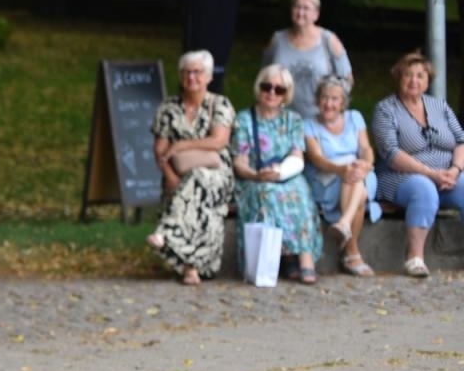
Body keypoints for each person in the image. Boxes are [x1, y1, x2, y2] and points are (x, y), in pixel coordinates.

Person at [370, 51, 464, 278]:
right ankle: (414, 258)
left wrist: (455, 170)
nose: (414, 81)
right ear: (398, 77)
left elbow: (461, 141)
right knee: (424, 189)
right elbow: (391, 154)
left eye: (420, 76)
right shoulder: (386, 109)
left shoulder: (439, 106)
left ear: (428, 80)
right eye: (408, 75)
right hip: (400, 175)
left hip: (446, 175)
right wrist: (431, 174)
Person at [146, 50, 235, 285]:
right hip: (180, 176)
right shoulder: (168, 108)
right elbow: (160, 149)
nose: (191, 77)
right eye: (186, 72)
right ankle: (191, 268)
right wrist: (169, 176)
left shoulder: (219, 104)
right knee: (198, 202)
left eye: (197, 72)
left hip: (218, 176)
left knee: (197, 177)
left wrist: (182, 145)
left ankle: (167, 231)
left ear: (208, 76)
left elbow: (219, 141)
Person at [233, 64, 324, 283]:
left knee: (299, 192)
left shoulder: (293, 120)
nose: (272, 93)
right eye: (267, 87)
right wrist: (257, 175)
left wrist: (280, 172)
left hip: (285, 174)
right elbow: (240, 163)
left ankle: (304, 258)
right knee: (267, 193)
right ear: (259, 88)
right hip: (254, 177)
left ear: (286, 94)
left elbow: (297, 157)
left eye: (279, 89)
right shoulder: (244, 119)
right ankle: (282, 259)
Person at [303, 76, 380, 277]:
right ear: (317, 100)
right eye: (324, 98)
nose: (329, 104)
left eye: (335, 99)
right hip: (326, 177)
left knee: (356, 179)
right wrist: (341, 169)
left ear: (343, 101)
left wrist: (365, 164)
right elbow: (316, 158)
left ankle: (344, 225)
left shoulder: (355, 117)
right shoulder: (309, 125)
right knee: (357, 189)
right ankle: (352, 253)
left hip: (357, 172)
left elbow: (365, 148)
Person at [260, 0, 353, 122]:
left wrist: (332, 108)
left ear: (316, 14)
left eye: (306, 8)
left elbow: (347, 80)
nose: (300, 12)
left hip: (318, 120)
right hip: (279, 118)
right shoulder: (277, 40)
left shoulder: (329, 40)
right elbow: (264, 77)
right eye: (296, 7)